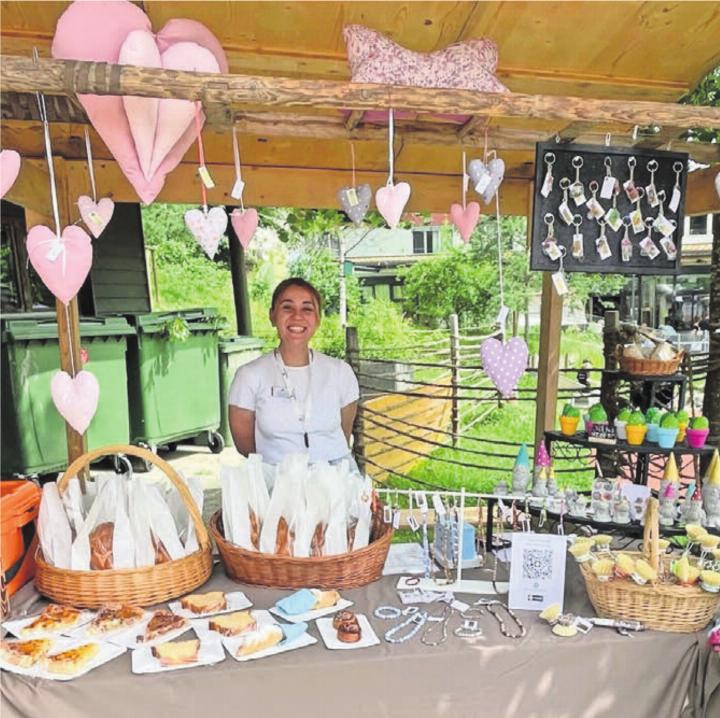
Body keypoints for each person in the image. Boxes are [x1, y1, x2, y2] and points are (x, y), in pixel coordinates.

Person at [228, 278, 359, 466]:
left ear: (318, 319)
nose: (297, 316)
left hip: (335, 480)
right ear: (272, 316)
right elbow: (245, 446)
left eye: (307, 308)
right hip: (278, 482)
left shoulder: (340, 372)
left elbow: (343, 434)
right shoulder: (249, 376)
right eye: (287, 307)